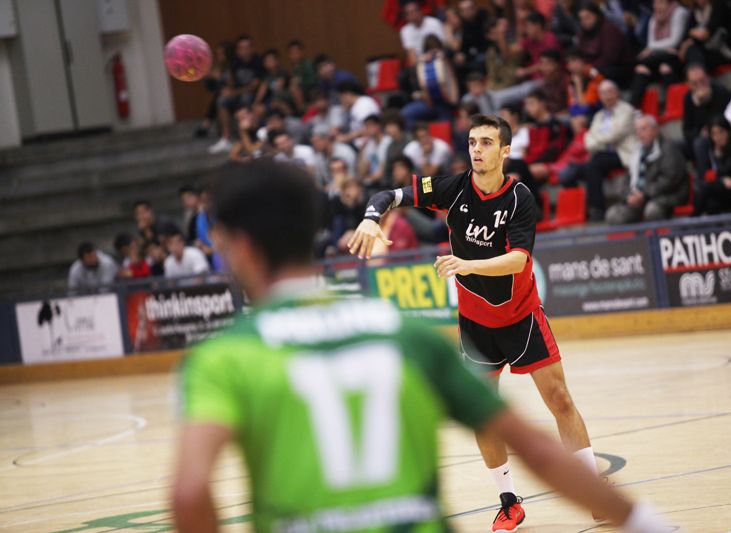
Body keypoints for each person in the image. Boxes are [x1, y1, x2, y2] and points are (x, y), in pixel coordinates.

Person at [173, 158, 672, 533]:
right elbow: (538, 450)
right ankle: (509, 502)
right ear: (314, 229)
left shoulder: (224, 358)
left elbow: (191, 491)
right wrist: (641, 521)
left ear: (236, 244)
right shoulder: (402, 335)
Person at [349, 115, 607, 532]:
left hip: (522, 318)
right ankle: (508, 501)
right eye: (472, 142)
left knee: (559, 399)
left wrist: (466, 263)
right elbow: (389, 194)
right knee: (484, 414)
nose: (476, 150)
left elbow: (519, 260)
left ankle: (595, 494)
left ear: (505, 151)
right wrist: (370, 217)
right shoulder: (454, 187)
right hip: (476, 325)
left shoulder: (521, 196)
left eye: (486, 143)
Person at [562, 80, 637, 220]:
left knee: (594, 163)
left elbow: (615, 135)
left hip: (622, 154)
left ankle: (597, 208)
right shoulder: (599, 116)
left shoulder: (627, 110)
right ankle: (576, 213)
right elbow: (588, 141)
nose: (607, 96)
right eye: (603, 93)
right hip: (601, 155)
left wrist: (597, 140)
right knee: (571, 172)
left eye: (610, 92)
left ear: (617, 93)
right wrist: (598, 141)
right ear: (600, 97)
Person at [605, 115, 688, 224]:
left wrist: (644, 194)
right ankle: (634, 240)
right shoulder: (636, 153)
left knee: (652, 210)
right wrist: (628, 197)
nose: (640, 134)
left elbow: (670, 179)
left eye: (643, 129)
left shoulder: (669, 148)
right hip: (639, 199)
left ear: (655, 130)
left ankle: (660, 238)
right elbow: (627, 179)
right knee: (612, 215)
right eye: (637, 130)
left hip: (665, 196)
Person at [208, 35, 264, 154]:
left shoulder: (258, 61)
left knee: (246, 98)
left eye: (247, 47)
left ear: (252, 48)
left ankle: (247, 138)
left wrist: (234, 92)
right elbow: (232, 82)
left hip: (255, 95)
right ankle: (226, 138)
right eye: (241, 48)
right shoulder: (235, 63)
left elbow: (254, 85)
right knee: (221, 100)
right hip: (238, 93)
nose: (244, 51)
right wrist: (227, 90)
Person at [628, 0, 690, 107]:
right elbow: (651, 42)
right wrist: (657, 48)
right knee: (641, 69)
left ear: (669, 3)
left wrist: (651, 48)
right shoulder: (653, 19)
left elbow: (674, 41)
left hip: (678, 57)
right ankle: (633, 108)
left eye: (661, 2)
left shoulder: (679, 13)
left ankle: (677, 105)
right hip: (660, 56)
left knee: (665, 68)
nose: (657, 6)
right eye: (655, 3)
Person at [683, 63, 731, 182]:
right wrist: (699, 133)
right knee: (674, 147)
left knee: (700, 144)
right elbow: (686, 129)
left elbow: (722, 121)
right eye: (695, 83)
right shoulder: (688, 98)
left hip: (720, 136)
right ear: (689, 84)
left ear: (708, 78)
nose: (700, 85)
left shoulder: (720, 92)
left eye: (702, 80)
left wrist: (702, 106)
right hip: (699, 137)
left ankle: (702, 182)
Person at [577, 3, 635, 87]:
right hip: (595, 68)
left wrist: (590, 68)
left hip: (618, 69)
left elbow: (610, 57)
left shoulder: (609, 29)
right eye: (581, 19)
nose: (584, 21)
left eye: (588, 17)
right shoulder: (583, 34)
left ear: (597, 15)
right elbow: (581, 53)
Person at [678, 0, 731, 71]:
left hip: (727, 50)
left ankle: (697, 76)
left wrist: (691, 34)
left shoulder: (718, 5)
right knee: (686, 53)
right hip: (710, 49)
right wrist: (688, 40)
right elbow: (687, 34)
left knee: (694, 52)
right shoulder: (697, 11)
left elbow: (705, 34)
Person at [399, 0, 445, 65]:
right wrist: (424, 58)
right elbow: (412, 58)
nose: (413, 15)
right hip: (420, 62)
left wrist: (434, 55)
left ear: (420, 11)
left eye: (415, 11)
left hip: (439, 57)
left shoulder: (434, 22)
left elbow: (443, 45)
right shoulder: (405, 31)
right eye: (410, 13)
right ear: (406, 17)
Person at [565, 47, 604, 117]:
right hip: (579, 115)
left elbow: (585, 106)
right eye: (568, 62)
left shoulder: (594, 75)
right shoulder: (572, 79)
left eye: (574, 60)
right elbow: (572, 106)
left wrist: (578, 85)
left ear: (583, 61)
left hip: (597, 113)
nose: (571, 65)